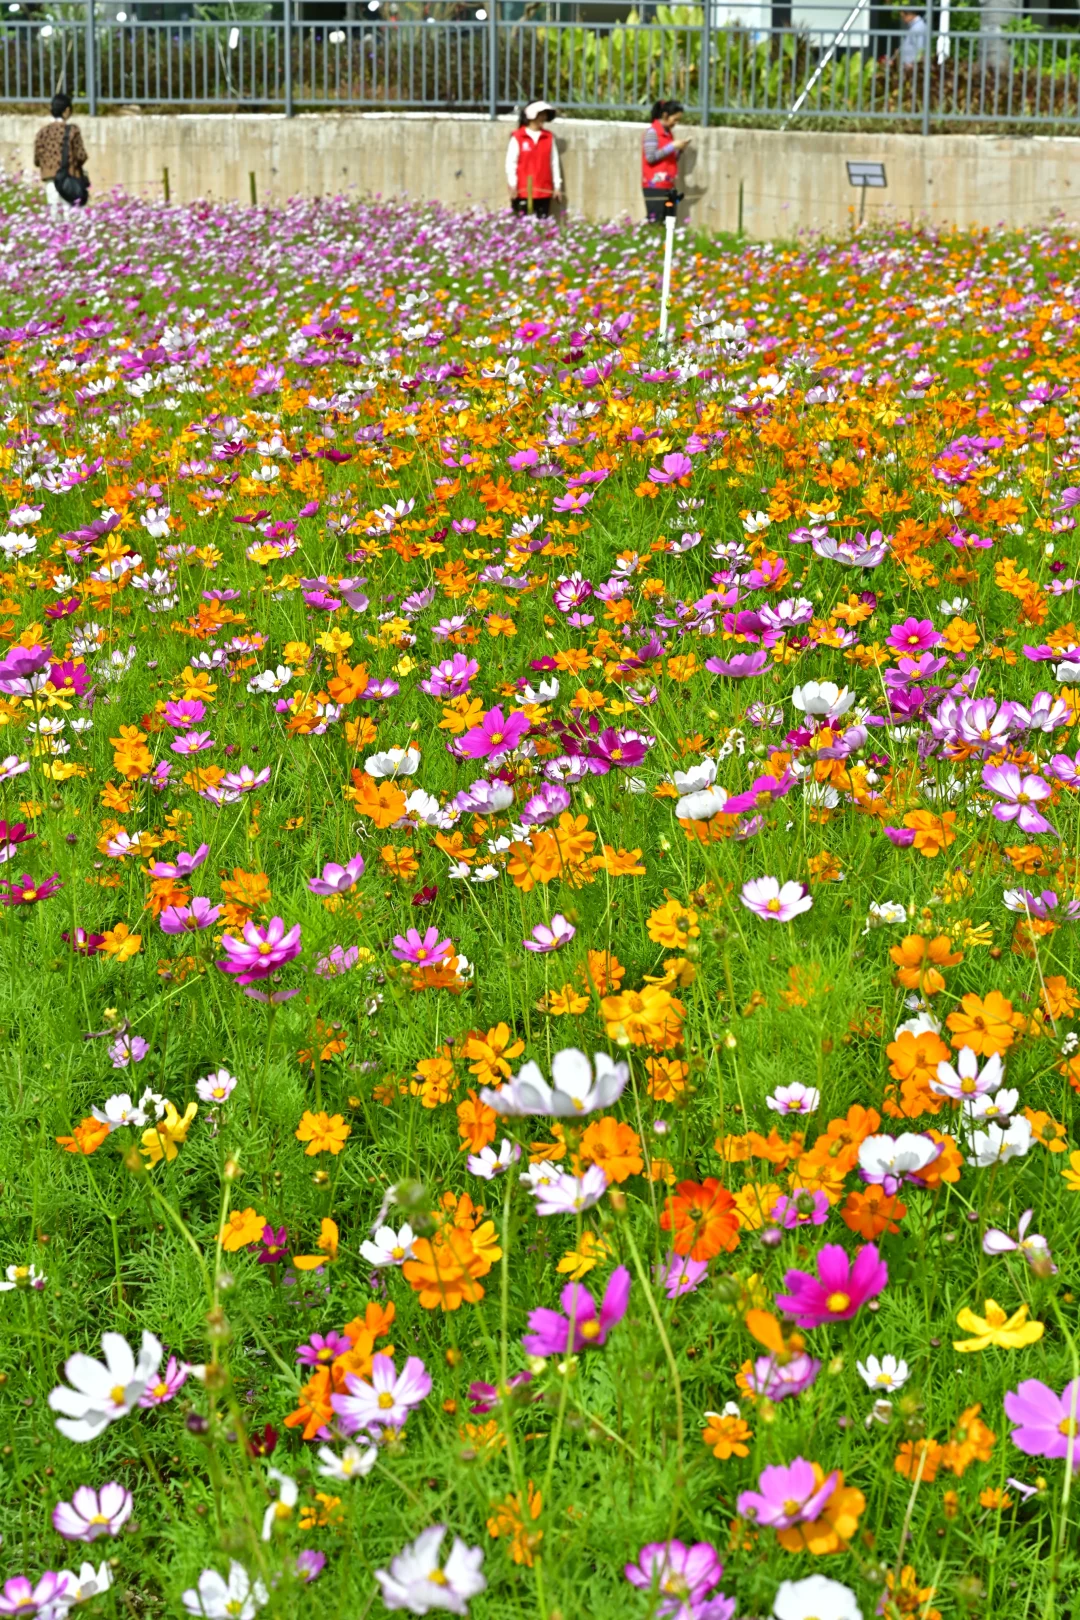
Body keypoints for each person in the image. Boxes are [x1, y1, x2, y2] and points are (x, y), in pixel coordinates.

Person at [506, 100, 563, 218]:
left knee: (542, 226)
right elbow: (511, 163)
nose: (543, 118)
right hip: (522, 191)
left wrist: (557, 186)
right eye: (540, 114)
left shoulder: (548, 137)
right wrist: (513, 185)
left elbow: (554, 162)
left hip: (544, 190)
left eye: (544, 115)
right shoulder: (518, 137)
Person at [33, 92, 88, 211]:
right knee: (72, 222)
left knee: (55, 223)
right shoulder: (73, 130)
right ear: (67, 110)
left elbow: (37, 160)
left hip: (51, 182)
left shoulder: (43, 132)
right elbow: (81, 156)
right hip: (70, 181)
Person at [642, 98, 690, 225]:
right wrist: (672, 146)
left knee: (669, 223)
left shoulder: (668, 134)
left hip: (668, 185)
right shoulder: (652, 132)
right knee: (655, 222)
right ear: (665, 115)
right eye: (675, 119)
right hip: (655, 186)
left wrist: (680, 149)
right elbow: (650, 157)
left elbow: (669, 158)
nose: (676, 123)